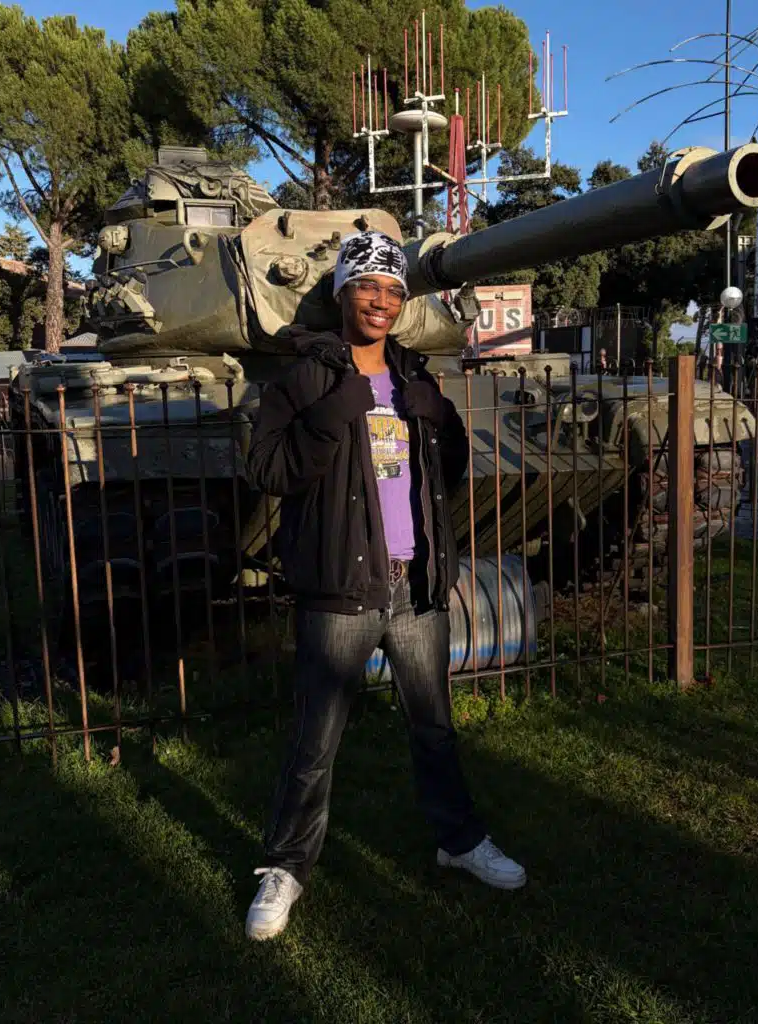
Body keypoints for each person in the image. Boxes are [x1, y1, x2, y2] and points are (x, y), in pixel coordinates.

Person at [243, 230, 526, 941]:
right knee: (315, 739)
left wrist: (441, 421)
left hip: (416, 585)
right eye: (368, 285)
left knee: (433, 728)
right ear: (344, 292)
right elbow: (267, 470)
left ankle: (458, 841)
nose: (381, 300)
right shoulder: (304, 378)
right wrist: (332, 416)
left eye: (394, 289)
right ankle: (286, 865)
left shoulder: (413, 377)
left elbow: (447, 469)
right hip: (340, 587)